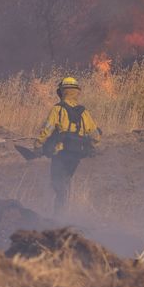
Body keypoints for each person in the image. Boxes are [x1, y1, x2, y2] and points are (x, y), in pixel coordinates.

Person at [34, 76, 101, 215]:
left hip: (60, 152)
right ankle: (63, 212)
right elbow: (95, 135)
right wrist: (91, 145)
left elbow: (47, 129)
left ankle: (58, 214)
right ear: (77, 92)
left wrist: (38, 145)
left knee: (57, 182)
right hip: (77, 154)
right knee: (66, 180)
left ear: (62, 91)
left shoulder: (58, 109)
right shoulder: (84, 112)